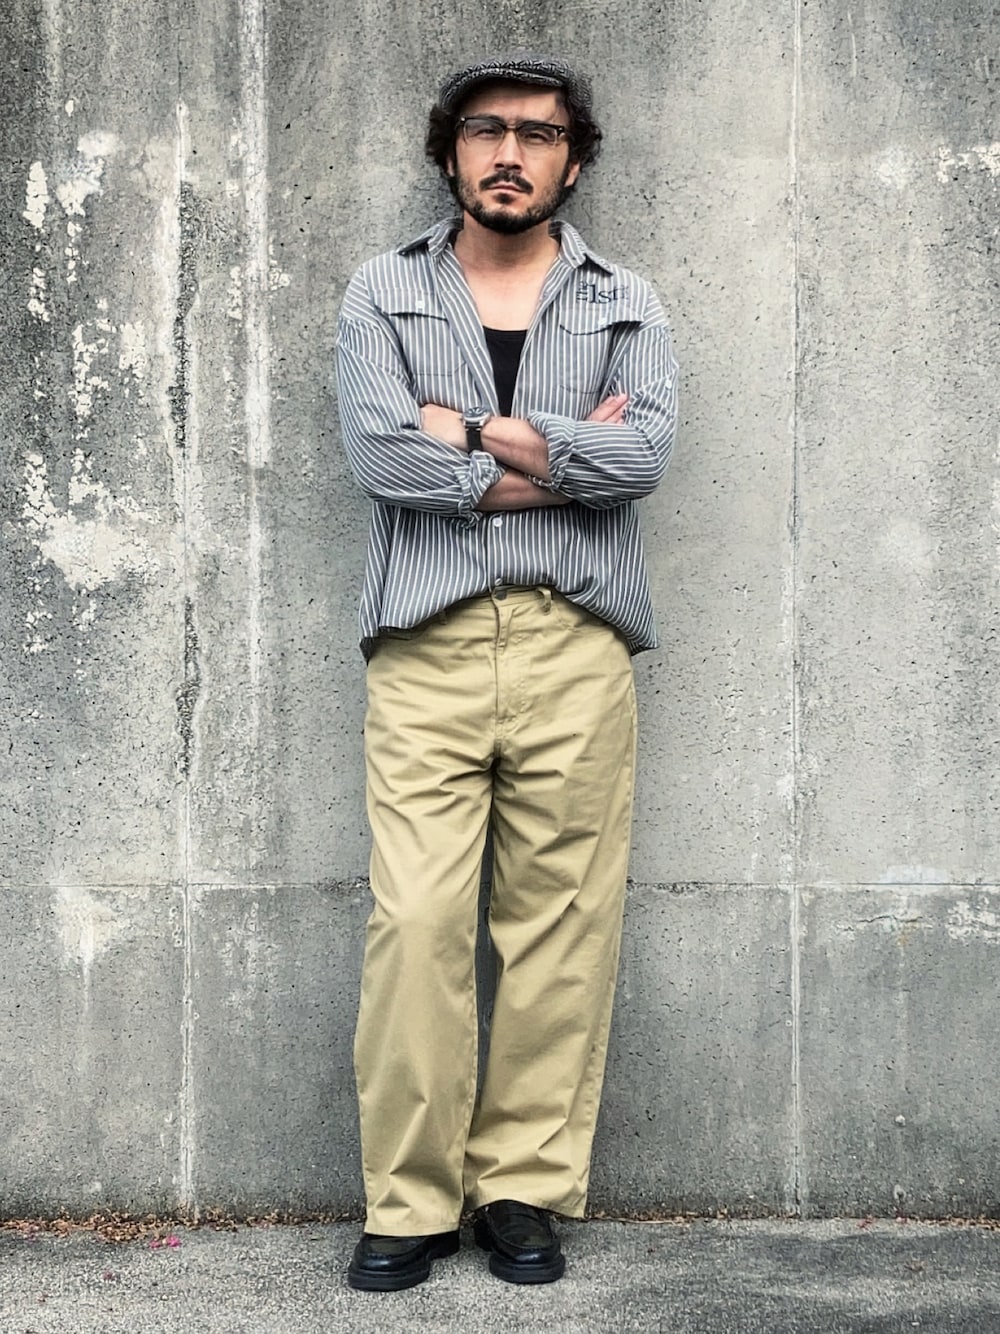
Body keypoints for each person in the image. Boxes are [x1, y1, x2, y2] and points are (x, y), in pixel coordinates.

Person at [336, 52, 679, 1292]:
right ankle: (408, 1197)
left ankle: (520, 1187)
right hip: (426, 643)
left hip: (573, 641)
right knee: (418, 921)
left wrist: (469, 430)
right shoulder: (383, 289)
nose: (509, 152)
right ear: (450, 151)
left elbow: (643, 459)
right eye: (485, 130)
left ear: (571, 164)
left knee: (559, 924)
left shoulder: (624, 298)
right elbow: (384, 458)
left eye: (538, 135)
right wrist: (551, 458)